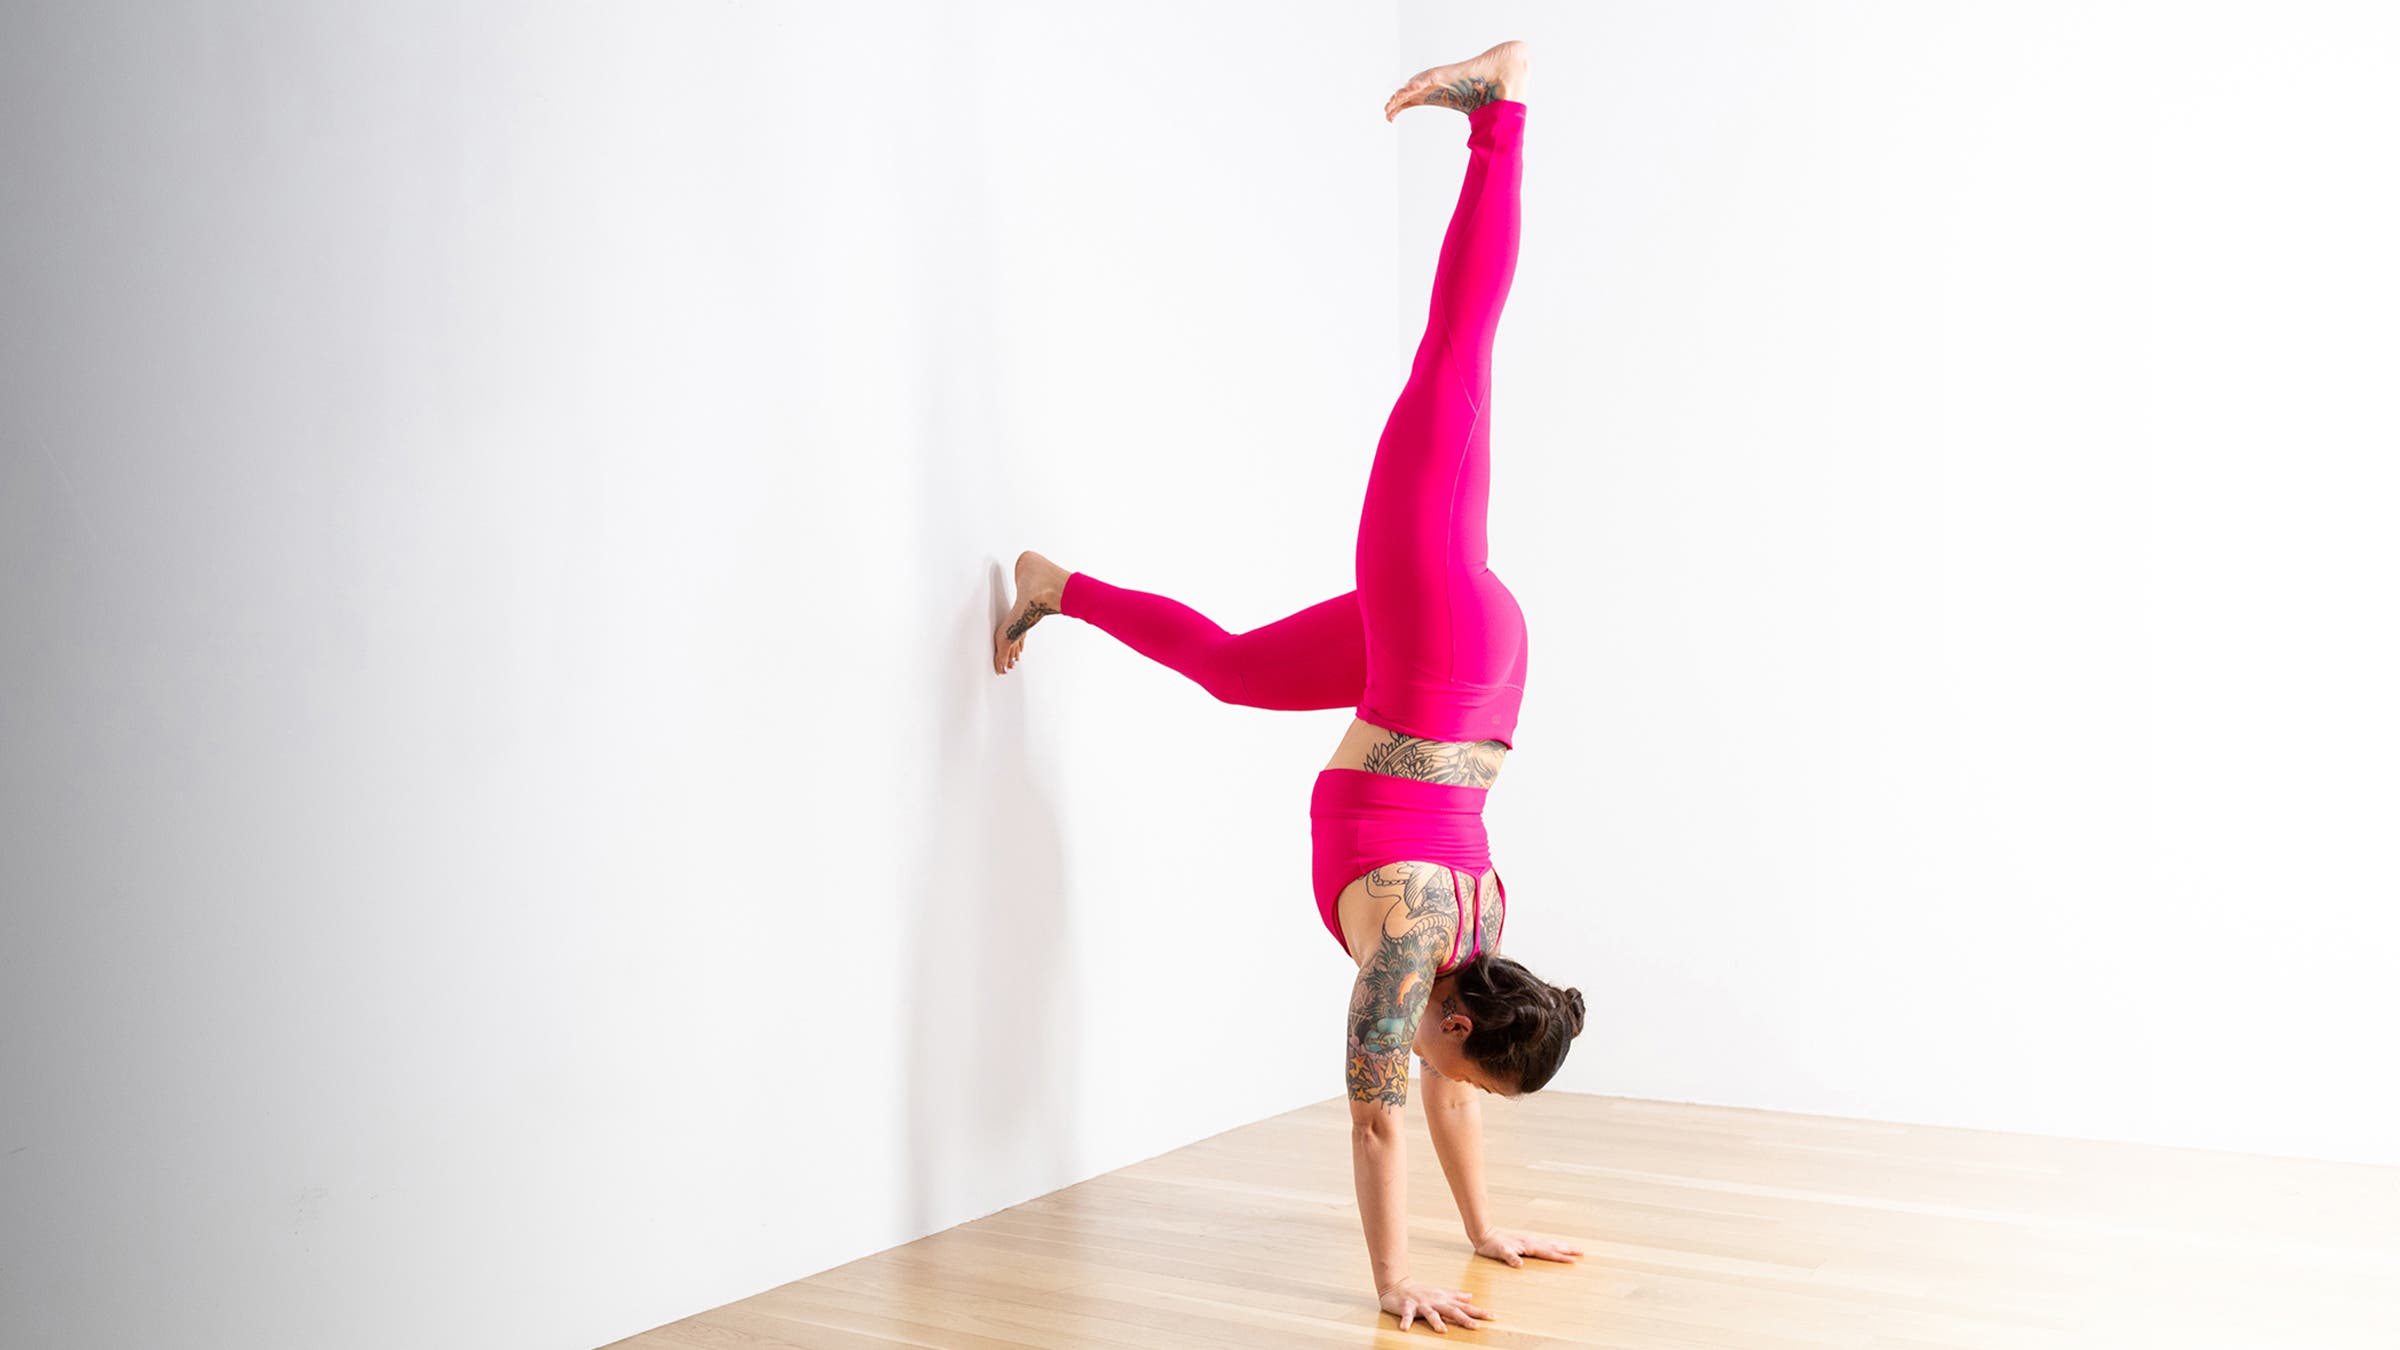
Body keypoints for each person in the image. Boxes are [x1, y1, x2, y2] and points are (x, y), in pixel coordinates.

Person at [995, 39, 1584, 1333]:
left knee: (1234, 669)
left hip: (1472, 676)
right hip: (1437, 641)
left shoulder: (1479, 950)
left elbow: (1434, 1090)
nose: (1457, 1088)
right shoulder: (1416, 959)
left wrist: (1485, 1232)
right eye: (1477, 1079)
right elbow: (1379, 1121)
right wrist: (1397, 1285)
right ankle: (1504, 114)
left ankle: (1051, 583)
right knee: (1458, 358)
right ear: (1459, 1021)